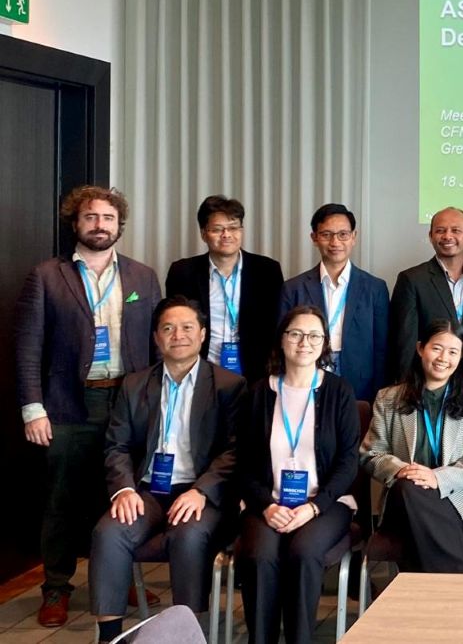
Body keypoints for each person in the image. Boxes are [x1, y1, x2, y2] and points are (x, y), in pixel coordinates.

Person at [15, 186, 162, 627]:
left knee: (123, 498)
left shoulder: (142, 277)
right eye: (90, 217)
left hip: (128, 401)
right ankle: (56, 587)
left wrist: (158, 405)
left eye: (108, 218)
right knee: (62, 499)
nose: (100, 224)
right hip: (67, 405)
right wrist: (32, 408)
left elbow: (157, 346)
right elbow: (27, 347)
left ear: (120, 225)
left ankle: (124, 578)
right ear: (75, 223)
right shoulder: (46, 275)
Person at [90, 297, 246, 643]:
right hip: (147, 492)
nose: (178, 335)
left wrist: (201, 490)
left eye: (187, 327)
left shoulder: (228, 386)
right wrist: (125, 489)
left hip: (200, 494)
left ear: (203, 334)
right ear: (157, 338)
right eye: (168, 328)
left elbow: (235, 451)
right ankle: (109, 636)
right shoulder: (134, 384)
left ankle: (187, 631)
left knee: (188, 535)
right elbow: (116, 445)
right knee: (109, 531)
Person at [238, 305, 360, 644]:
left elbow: (349, 462)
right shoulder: (260, 392)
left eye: (314, 335)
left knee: (304, 552)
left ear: (324, 344)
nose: (304, 342)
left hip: (326, 503)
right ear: (281, 340)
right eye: (295, 333)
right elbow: (244, 465)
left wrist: (313, 507)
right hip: (268, 503)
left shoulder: (339, 391)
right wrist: (265, 505)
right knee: (260, 555)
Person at [360, 319, 463, 574]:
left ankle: (428, 601)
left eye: (453, 352)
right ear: (421, 348)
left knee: (418, 510)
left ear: (461, 357)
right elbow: (370, 454)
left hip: (456, 500)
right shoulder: (388, 398)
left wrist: (436, 477)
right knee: (410, 486)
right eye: (437, 348)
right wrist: (401, 470)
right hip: (402, 497)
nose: (444, 358)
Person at [165, 195, 284, 383]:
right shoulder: (183, 272)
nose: (226, 235)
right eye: (217, 229)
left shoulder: (267, 271)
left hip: (255, 373)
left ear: (242, 231)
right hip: (201, 372)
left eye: (233, 228)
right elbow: (173, 324)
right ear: (203, 233)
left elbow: (276, 324)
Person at [280, 203, 389, 402]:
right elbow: (283, 342)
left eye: (343, 235)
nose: (335, 242)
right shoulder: (293, 288)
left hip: (360, 380)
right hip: (307, 372)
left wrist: (379, 393)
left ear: (354, 237)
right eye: (326, 234)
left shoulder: (375, 288)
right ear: (314, 238)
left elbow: (381, 348)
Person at [389, 206, 463, 377]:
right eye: (440, 230)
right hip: (426, 379)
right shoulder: (411, 279)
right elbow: (404, 342)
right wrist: (406, 386)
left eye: (456, 230)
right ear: (431, 236)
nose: (447, 236)